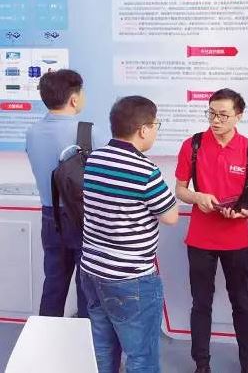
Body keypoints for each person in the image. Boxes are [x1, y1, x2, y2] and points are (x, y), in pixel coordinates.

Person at [80, 95, 179, 373]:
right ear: (143, 130)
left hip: (92, 270)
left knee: (103, 348)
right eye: (156, 125)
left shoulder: (94, 158)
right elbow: (170, 216)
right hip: (130, 277)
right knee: (141, 356)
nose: (156, 131)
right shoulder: (145, 170)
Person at [175, 88, 248, 373]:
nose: (215, 121)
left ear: (238, 116)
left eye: (223, 115)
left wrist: (246, 211)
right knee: (200, 303)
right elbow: (180, 190)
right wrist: (198, 197)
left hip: (236, 240)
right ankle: (201, 364)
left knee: (242, 302)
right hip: (200, 239)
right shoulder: (192, 145)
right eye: (212, 114)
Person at [25, 69, 108, 318]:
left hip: (50, 217)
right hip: (85, 217)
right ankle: (85, 339)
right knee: (87, 288)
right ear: (74, 99)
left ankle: (45, 337)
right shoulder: (90, 132)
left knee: (53, 284)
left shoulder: (32, 132)